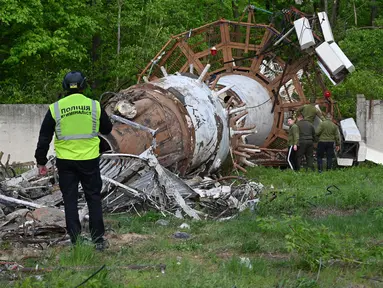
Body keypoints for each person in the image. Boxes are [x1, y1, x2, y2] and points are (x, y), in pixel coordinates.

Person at [34, 71, 113, 250]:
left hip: (65, 161)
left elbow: (44, 136)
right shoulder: (94, 106)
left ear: (64, 87)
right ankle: (98, 240)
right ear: (84, 86)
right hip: (90, 159)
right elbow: (107, 129)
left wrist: (41, 161)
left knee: (69, 199)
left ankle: (76, 240)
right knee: (93, 198)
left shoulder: (56, 108)